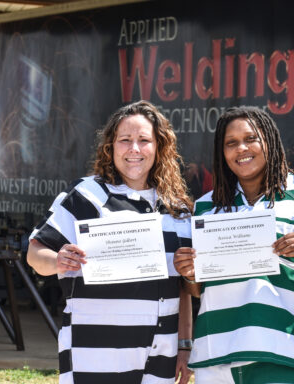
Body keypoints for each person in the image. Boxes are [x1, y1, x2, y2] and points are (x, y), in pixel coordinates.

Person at [173, 106, 294, 384]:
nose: (241, 148)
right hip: (216, 355)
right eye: (231, 143)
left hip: (286, 352)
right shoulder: (206, 206)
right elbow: (197, 291)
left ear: (270, 140)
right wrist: (189, 273)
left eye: (251, 138)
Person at [27, 100, 194, 384]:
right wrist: (57, 260)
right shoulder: (86, 195)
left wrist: (184, 346)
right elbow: (35, 253)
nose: (134, 149)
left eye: (144, 140)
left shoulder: (177, 208)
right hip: (95, 347)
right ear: (110, 146)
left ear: (159, 146)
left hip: (160, 350)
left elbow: (183, 289)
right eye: (125, 140)